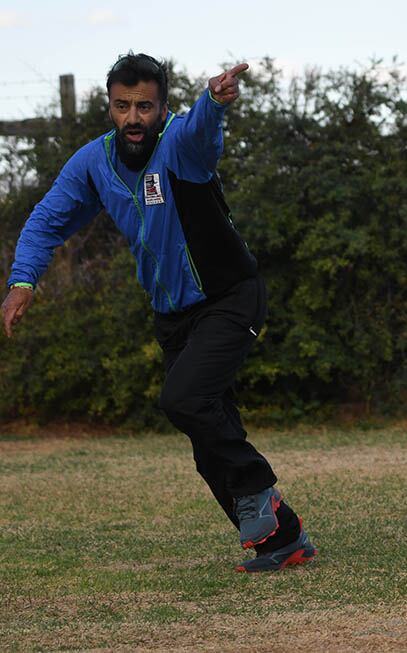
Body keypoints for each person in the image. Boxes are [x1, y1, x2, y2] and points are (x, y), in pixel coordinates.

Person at [1, 53, 316, 573]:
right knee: (205, 443)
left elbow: (201, 135)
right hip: (172, 315)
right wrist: (21, 281)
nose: (133, 118)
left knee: (184, 398)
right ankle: (283, 541)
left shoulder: (179, 144)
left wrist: (212, 104)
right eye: (122, 106)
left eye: (144, 106)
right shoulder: (93, 163)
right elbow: (45, 221)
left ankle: (261, 493)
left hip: (229, 297)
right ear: (109, 107)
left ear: (162, 106)